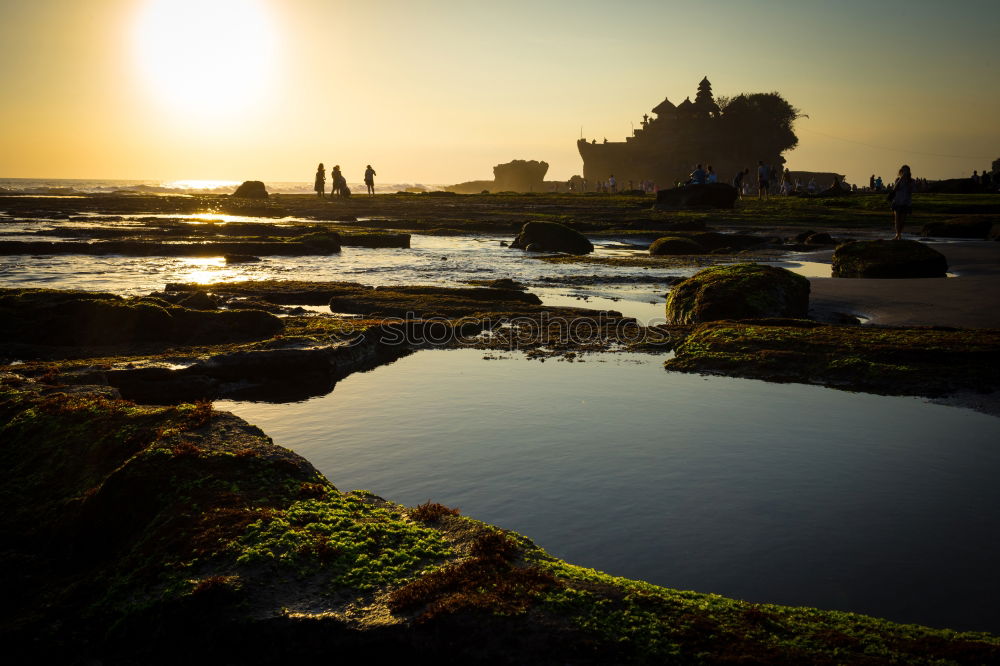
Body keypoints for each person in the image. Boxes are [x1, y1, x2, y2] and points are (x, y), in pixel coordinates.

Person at [889, 164, 915, 240]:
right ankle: (898, 234)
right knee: (897, 219)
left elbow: (911, 190)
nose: (905, 172)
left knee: (903, 220)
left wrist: (907, 181)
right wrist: (901, 179)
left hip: (906, 202)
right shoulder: (898, 180)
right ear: (901, 171)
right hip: (897, 201)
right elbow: (895, 188)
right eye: (903, 170)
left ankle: (899, 233)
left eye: (906, 170)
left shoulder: (912, 181)